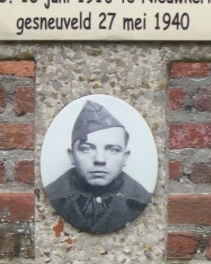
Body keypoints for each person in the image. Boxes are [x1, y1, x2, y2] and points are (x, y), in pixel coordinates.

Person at [44, 100, 152, 234]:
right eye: (86, 148)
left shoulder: (141, 200)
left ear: (125, 157)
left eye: (112, 149)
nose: (100, 159)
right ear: (72, 156)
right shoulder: (50, 196)